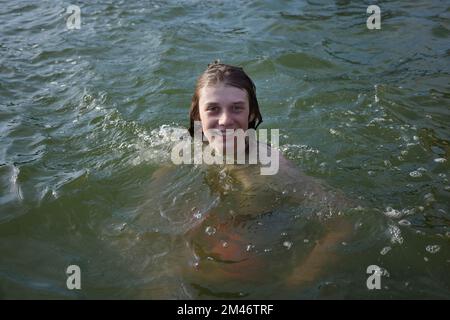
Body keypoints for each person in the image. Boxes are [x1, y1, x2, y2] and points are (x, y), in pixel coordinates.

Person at [152, 61, 354, 295]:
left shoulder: (271, 168)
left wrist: (300, 278)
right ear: (198, 114)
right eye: (213, 109)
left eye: (236, 108)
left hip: (257, 254)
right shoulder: (195, 146)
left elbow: (344, 222)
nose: (225, 120)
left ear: (252, 114)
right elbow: (163, 172)